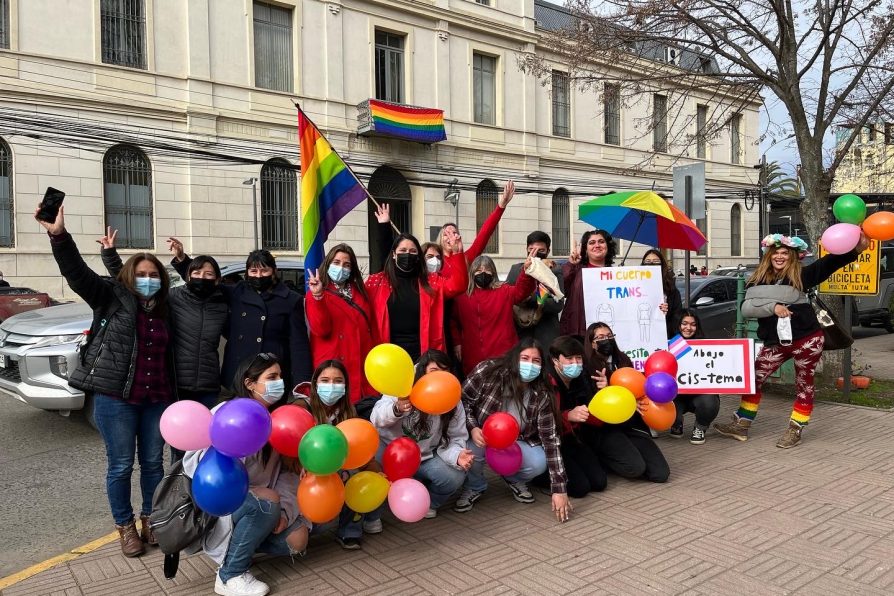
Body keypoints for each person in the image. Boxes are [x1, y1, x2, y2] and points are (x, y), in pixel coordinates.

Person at [37, 208, 175, 558]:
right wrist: (59, 237)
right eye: (141, 274)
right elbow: (77, 275)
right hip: (117, 398)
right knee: (120, 465)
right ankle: (125, 527)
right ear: (130, 277)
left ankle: (151, 519)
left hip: (156, 398)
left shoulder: (165, 308)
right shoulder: (112, 297)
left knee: (154, 464)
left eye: (153, 275)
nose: (148, 279)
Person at [714, 233, 871, 449]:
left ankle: (795, 429)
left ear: (793, 256)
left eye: (785, 253)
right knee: (754, 377)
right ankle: (742, 423)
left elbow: (829, 262)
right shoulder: (756, 279)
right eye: (776, 252)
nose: (779, 257)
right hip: (775, 343)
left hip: (806, 339)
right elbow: (747, 308)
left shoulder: (803, 276)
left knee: (804, 384)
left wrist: (856, 250)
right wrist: (774, 308)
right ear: (768, 255)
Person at [184, 353, 307, 596]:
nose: (278, 383)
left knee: (299, 539)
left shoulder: (278, 420)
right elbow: (193, 465)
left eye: (280, 376)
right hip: (222, 506)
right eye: (271, 377)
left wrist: (284, 512)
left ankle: (244, 545)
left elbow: (285, 475)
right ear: (250, 383)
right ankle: (230, 574)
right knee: (266, 500)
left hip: (260, 507)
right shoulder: (227, 413)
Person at [99, 228, 227, 411]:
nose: (202, 278)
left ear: (217, 280)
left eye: (208, 274)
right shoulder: (172, 297)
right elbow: (131, 283)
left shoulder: (222, 305)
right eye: (197, 273)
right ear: (188, 276)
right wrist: (110, 254)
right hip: (176, 382)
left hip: (209, 384)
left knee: (206, 434)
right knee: (179, 434)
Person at [168, 239, 312, 390]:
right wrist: (183, 260)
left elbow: (299, 346)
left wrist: (301, 386)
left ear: (274, 272)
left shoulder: (291, 299)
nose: (259, 276)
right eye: (253, 271)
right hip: (237, 373)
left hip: (272, 376)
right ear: (247, 273)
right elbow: (203, 282)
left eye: (264, 271)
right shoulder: (237, 292)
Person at [455, 338, 572, 522]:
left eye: (536, 361)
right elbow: (462, 400)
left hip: (516, 441)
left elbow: (550, 440)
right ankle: (475, 486)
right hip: (482, 434)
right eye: (525, 358)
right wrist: (472, 427)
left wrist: (559, 489)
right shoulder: (489, 371)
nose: (530, 365)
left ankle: (512, 477)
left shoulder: (542, 393)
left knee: (538, 462)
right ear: (514, 357)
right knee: (469, 451)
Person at [370, 350, 472, 518]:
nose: (440, 378)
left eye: (445, 373)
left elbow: (456, 437)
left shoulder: (451, 397)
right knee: (371, 470)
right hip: (390, 452)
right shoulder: (402, 384)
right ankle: (373, 516)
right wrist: (396, 408)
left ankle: (427, 503)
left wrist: (457, 455)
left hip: (424, 457)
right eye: (434, 371)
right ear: (422, 371)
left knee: (454, 476)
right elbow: (376, 419)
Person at [292, 359, 379, 550]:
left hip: (339, 469)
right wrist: (302, 465)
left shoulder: (348, 412)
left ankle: (350, 531)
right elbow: (289, 448)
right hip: (307, 474)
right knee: (316, 526)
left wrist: (375, 472)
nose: (331, 386)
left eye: (338, 381)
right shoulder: (302, 408)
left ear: (346, 386)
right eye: (325, 380)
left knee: (359, 477)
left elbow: (357, 447)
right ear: (315, 384)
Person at [365, 225, 467, 362]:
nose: (408, 254)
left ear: (419, 256)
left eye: (413, 251)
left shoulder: (431, 281)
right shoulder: (376, 282)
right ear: (394, 254)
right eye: (403, 250)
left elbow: (458, 285)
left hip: (424, 358)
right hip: (387, 360)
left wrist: (457, 253)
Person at [584, 322, 670, 483]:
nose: (606, 340)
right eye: (600, 337)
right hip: (606, 428)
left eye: (609, 336)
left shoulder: (623, 359)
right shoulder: (587, 365)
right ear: (592, 343)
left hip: (630, 423)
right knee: (635, 468)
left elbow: (636, 389)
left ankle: (630, 450)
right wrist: (603, 390)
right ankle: (601, 458)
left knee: (660, 473)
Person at [306, 244, 375, 403]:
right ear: (328, 263)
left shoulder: (361, 293)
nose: (341, 268)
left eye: (346, 264)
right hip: (333, 365)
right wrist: (317, 297)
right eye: (336, 263)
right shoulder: (318, 293)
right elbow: (320, 329)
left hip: (360, 365)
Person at [450, 252, 537, 375]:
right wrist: (457, 343)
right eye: (479, 270)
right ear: (472, 273)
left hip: (503, 355)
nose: (483, 273)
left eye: (487, 269)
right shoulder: (461, 297)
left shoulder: (504, 291)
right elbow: (453, 321)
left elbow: (521, 292)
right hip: (472, 355)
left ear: (493, 273)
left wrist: (526, 271)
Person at [541, 336, 607, 497]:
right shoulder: (545, 382)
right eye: (569, 359)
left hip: (573, 437)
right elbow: (540, 422)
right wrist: (567, 416)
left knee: (599, 482)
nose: (575, 363)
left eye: (578, 358)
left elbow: (596, 414)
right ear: (556, 360)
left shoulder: (583, 377)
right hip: (550, 441)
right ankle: (538, 477)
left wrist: (603, 391)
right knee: (580, 488)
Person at [506, 231, 566, 348]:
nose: (536, 253)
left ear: (548, 251)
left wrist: (531, 298)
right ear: (526, 249)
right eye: (531, 249)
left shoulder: (555, 270)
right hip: (521, 332)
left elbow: (558, 304)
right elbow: (508, 298)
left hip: (546, 334)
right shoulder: (516, 269)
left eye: (541, 250)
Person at [437, 180, 517, 266]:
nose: (451, 236)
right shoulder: (435, 262)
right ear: (440, 240)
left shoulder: (466, 258)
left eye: (454, 233)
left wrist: (502, 204)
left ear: (459, 238)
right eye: (446, 234)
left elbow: (485, 233)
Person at [669, 309, 719, 445]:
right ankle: (676, 423)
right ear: (677, 325)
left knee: (710, 401)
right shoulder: (668, 344)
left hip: (699, 395)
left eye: (693, 324)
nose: (688, 328)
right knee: (666, 402)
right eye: (684, 323)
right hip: (676, 395)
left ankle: (700, 428)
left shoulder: (706, 346)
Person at [561, 229, 618, 339]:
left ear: (607, 246)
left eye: (601, 241)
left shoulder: (618, 275)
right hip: (578, 333)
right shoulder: (575, 270)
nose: (597, 245)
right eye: (592, 243)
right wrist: (571, 265)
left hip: (606, 334)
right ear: (586, 249)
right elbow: (560, 288)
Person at [641, 249, 683, 338]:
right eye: (648, 261)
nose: (651, 264)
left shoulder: (672, 290)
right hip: (640, 334)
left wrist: (666, 314)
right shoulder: (636, 286)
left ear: (662, 265)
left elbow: (677, 317)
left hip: (664, 337)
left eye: (656, 262)